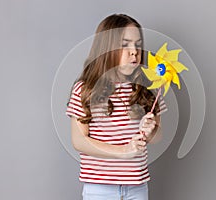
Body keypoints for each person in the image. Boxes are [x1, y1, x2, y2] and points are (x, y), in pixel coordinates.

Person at [66, 13, 167, 200]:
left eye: (137, 45)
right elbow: (79, 140)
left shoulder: (148, 87)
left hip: (137, 186)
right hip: (100, 187)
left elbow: (157, 137)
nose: (134, 51)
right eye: (125, 45)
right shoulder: (85, 89)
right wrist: (123, 151)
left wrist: (151, 130)